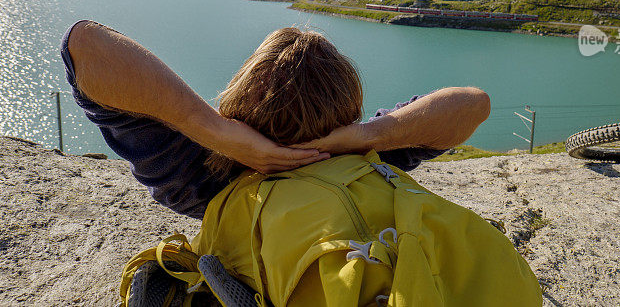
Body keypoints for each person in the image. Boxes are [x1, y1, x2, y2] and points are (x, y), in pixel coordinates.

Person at [61, 20, 490, 220]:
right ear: (346, 109)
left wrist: (216, 132)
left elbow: (84, 44)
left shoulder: (199, 182)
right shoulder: (364, 163)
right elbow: (475, 104)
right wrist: (365, 137)